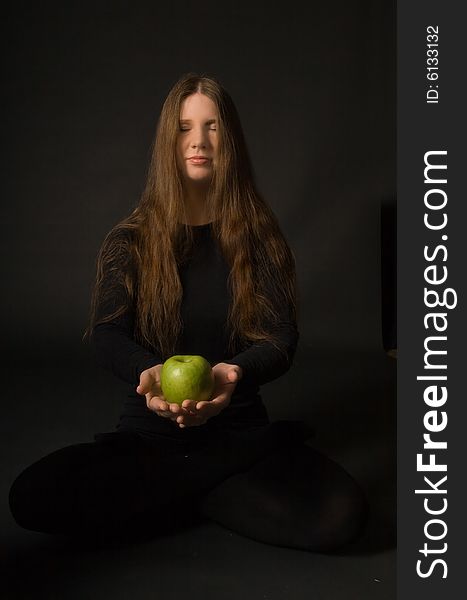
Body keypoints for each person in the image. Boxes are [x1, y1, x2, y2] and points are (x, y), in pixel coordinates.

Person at [9, 73, 368, 552]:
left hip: (238, 431)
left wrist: (234, 374)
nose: (199, 141)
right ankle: (204, 485)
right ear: (168, 141)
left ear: (230, 140)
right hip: (150, 436)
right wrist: (151, 373)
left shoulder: (259, 238)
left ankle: (170, 491)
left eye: (213, 127)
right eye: (184, 127)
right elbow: (107, 334)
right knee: (31, 496)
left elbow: (281, 339)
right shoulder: (130, 240)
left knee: (339, 518)